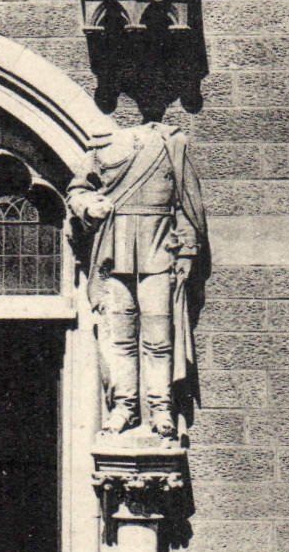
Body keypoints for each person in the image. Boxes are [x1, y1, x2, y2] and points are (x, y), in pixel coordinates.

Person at [67, 113, 206, 440]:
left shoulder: (173, 143)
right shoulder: (102, 145)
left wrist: (186, 251)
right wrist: (90, 206)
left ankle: (160, 408)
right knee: (120, 338)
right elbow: (76, 191)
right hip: (114, 252)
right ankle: (124, 407)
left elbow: (187, 204)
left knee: (159, 338)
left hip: (159, 251)